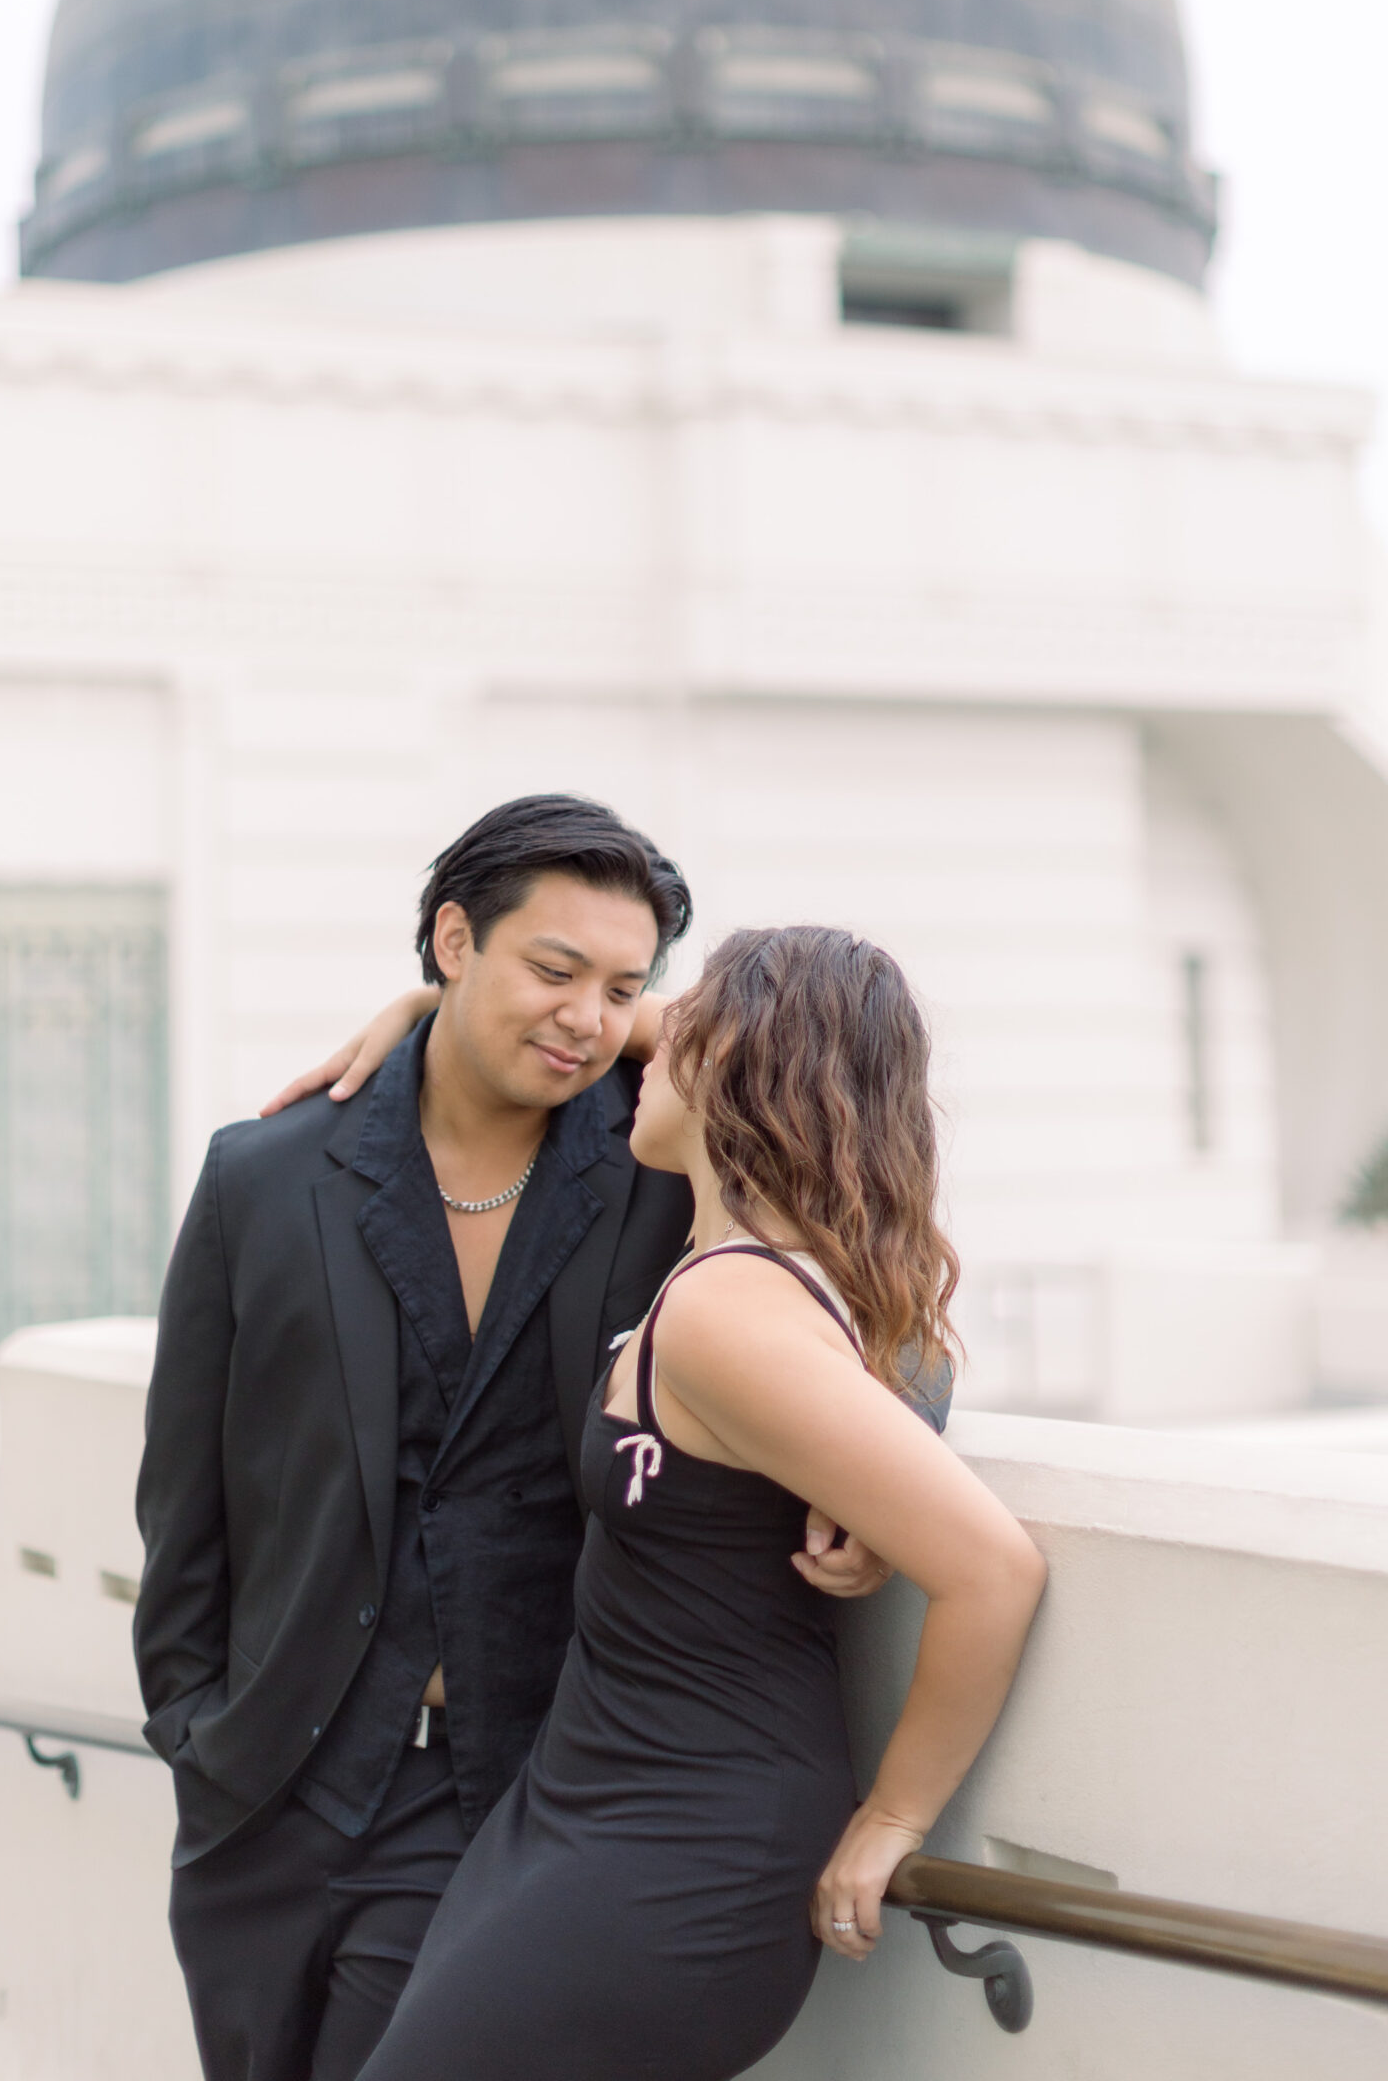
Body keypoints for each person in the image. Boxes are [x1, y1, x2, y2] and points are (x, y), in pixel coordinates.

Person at [134, 796, 893, 2081]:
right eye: (553, 969)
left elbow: (888, 1289)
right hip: (266, 1794)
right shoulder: (264, 1175)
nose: (588, 1017)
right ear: (450, 940)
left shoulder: (669, 1167)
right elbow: (186, 1493)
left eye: (624, 987)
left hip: (513, 1794)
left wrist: (873, 1477)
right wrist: (195, 1736)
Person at [347, 924, 1049, 2081]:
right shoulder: (791, 1278)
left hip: (679, 1846)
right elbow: (917, 1362)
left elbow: (994, 1569)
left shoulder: (734, 1309)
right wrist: (432, 1010)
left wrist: (893, 1818)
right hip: (592, 1804)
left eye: (678, 1027)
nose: (635, 1038)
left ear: (730, 1068)